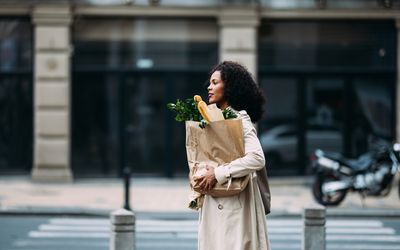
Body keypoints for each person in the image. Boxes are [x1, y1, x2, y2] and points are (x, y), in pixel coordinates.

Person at [194, 61, 271, 250]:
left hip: (235, 204)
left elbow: (257, 158)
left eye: (215, 82)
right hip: (222, 199)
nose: (209, 87)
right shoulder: (215, 120)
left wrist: (218, 173)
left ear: (229, 87)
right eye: (210, 83)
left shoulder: (238, 120)